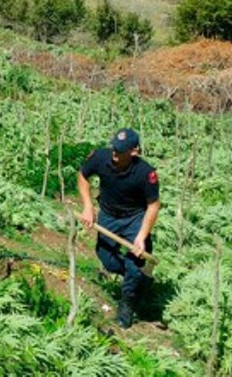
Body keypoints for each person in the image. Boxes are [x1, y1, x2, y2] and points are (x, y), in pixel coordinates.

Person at [78, 128, 160, 328]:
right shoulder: (100, 157)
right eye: (114, 148)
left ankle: (128, 303)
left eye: (120, 151)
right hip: (108, 215)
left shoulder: (145, 173)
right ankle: (138, 278)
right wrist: (88, 207)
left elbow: (153, 205)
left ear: (134, 152)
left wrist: (141, 236)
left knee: (136, 261)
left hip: (135, 218)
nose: (115, 154)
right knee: (107, 259)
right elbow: (82, 176)